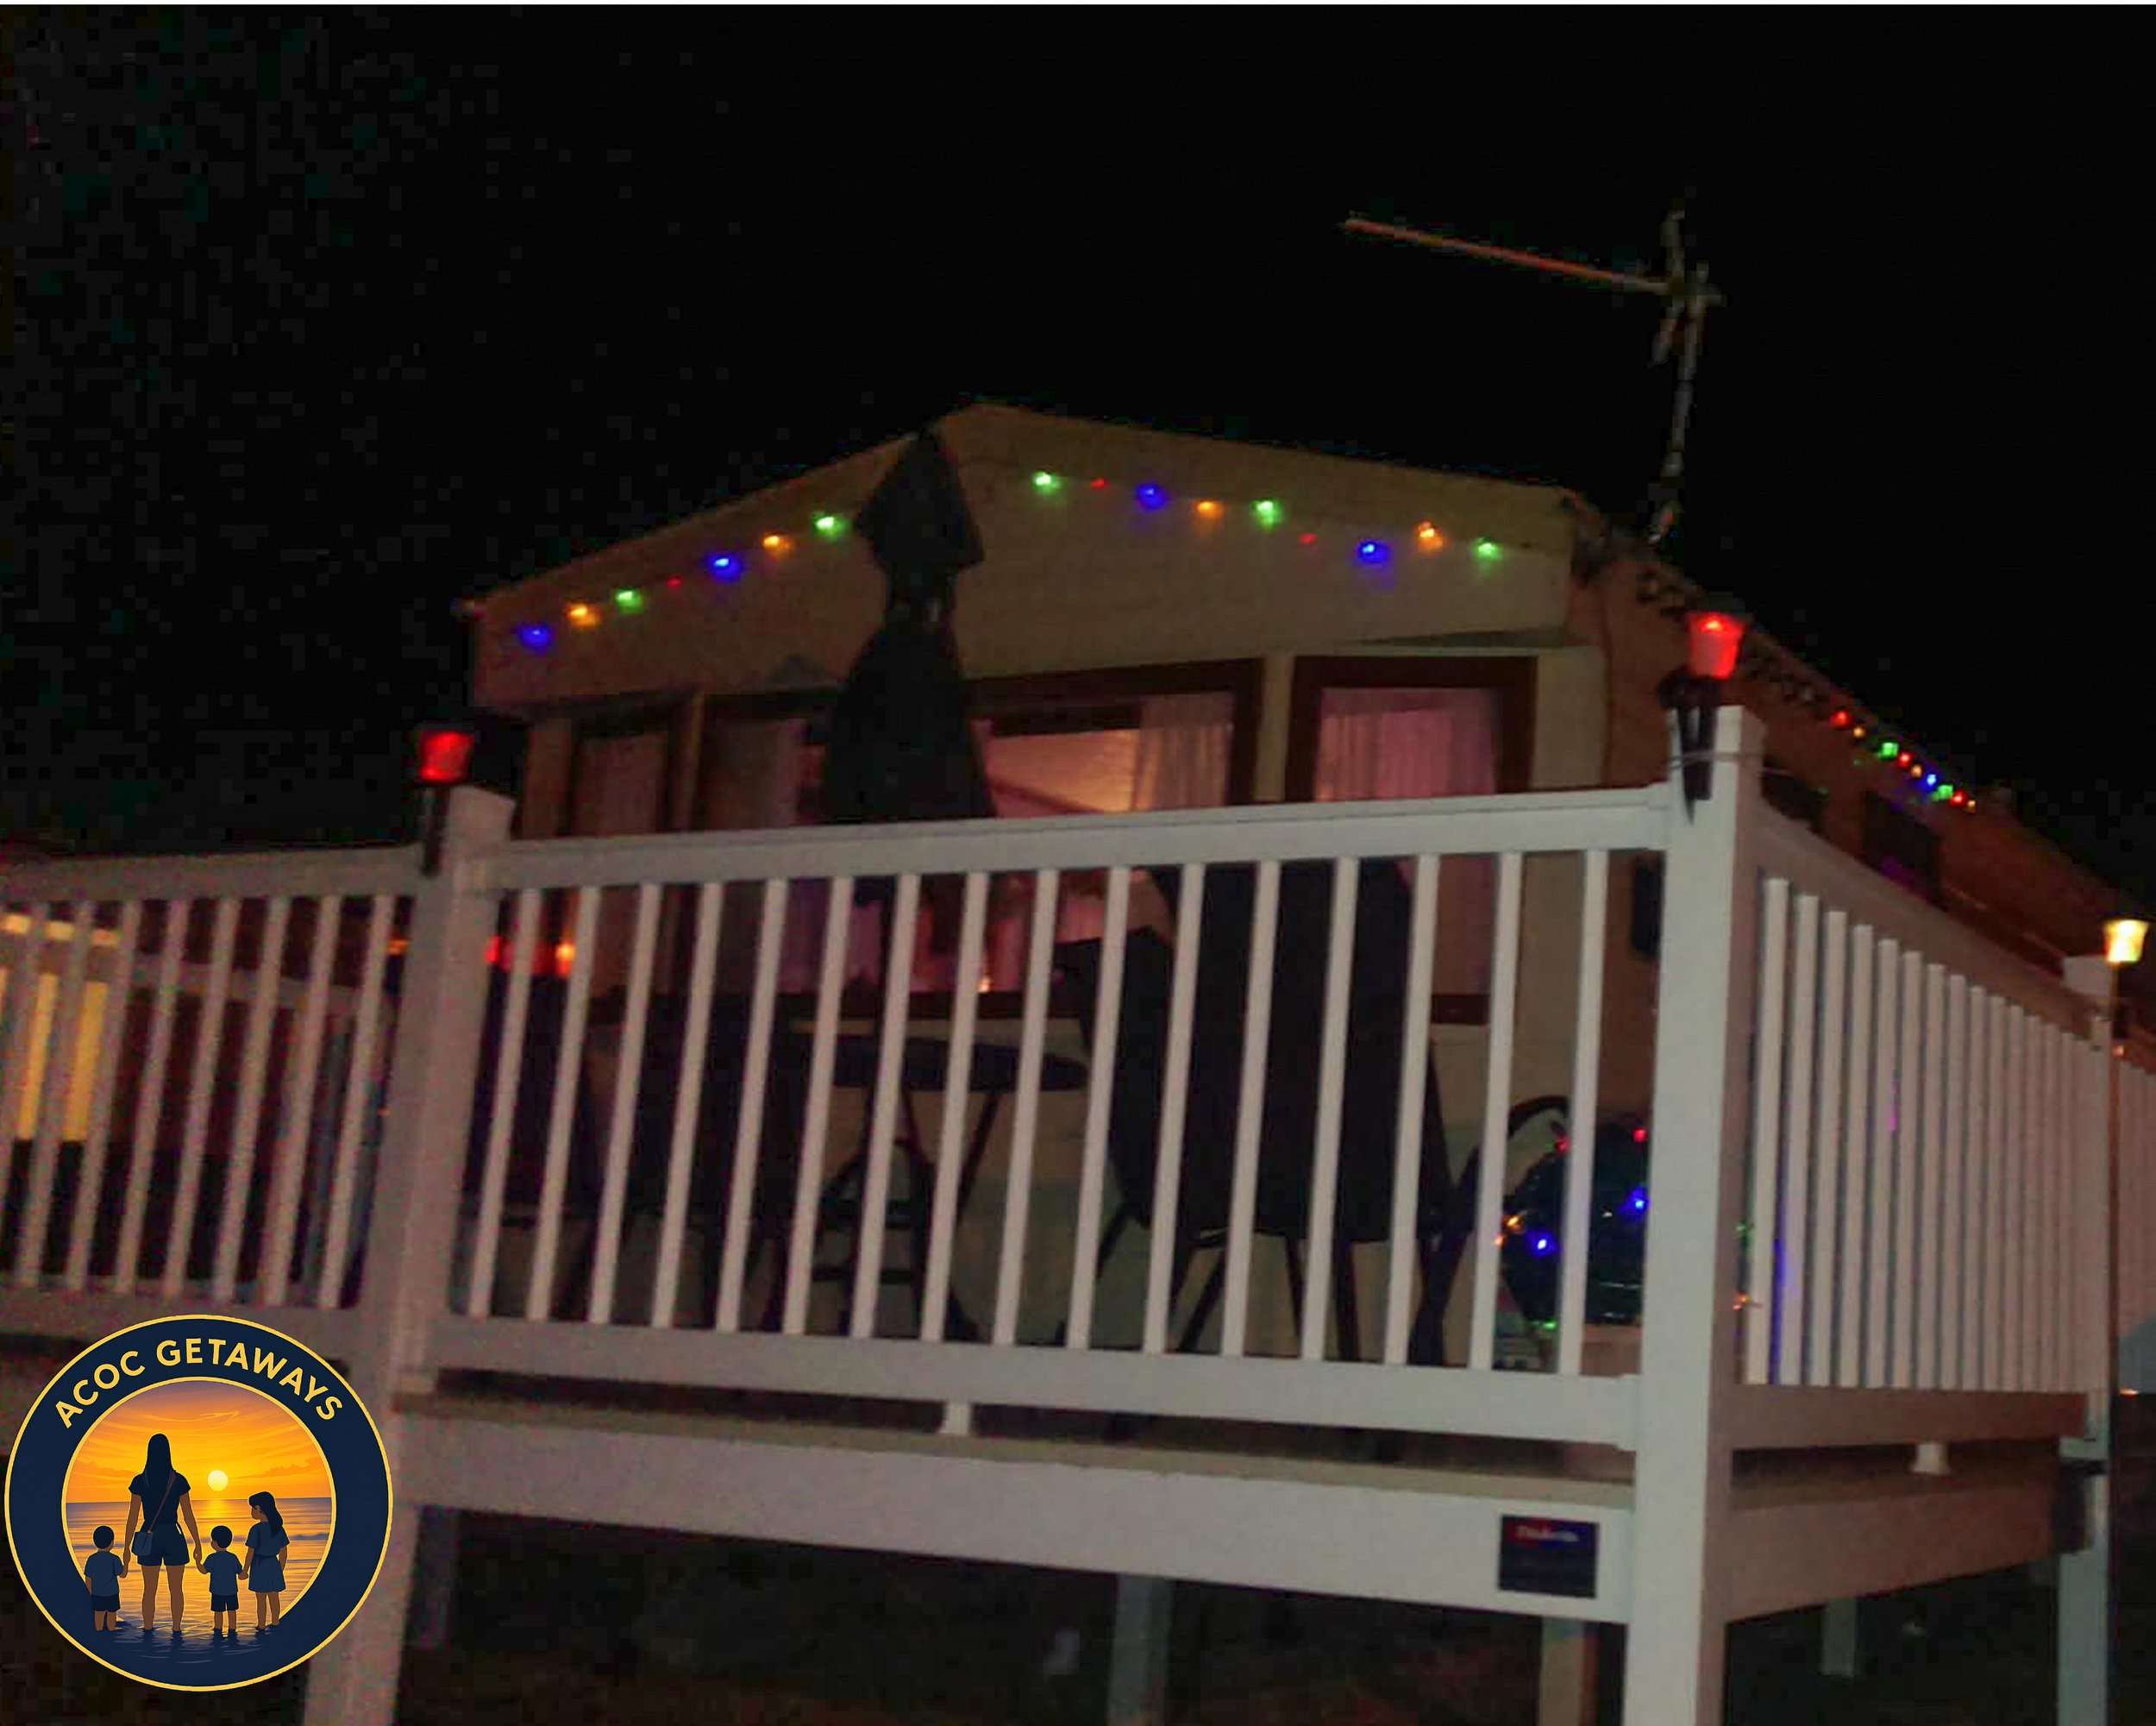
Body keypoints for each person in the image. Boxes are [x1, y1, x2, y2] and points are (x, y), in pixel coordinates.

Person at [120, 1434, 201, 1632]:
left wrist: (127, 1547)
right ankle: (176, 1629)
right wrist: (197, 1543)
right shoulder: (178, 1480)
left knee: (149, 1590)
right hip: (173, 1535)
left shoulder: (140, 1481)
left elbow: (133, 1517)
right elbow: (188, 1514)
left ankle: (148, 1629)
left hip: (149, 1536)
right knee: (176, 1589)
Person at [243, 1491, 288, 1628]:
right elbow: (284, 1551)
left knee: (261, 1599)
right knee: (274, 1598)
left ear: (259, 1508)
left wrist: (245, 1571)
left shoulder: (256, 1529)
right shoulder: (278, 1528)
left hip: (259, 1566)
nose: (252, 1511)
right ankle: (276, 1622)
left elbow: (250, 1553)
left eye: (252, 1508)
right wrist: (280, 1568)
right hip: (273, 1565)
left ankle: (261, 1625)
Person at [198, 1526, 243, 1635]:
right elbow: (240, 1571)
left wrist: (197, 1562)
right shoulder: (233, 1557)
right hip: (231, 1591)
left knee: (218, 1612)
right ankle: (232, 1629)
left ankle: (218, 1629)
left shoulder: (212, 1558)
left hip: (217, 1591)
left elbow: (204, 1571)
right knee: (232, 1611)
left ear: (215, 1542)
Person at [83, 1526, 124, 1631]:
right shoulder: (114, 1558)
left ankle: (98, 1628)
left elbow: (88, 1578)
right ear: (112, 1543)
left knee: (98, 1612)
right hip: (112, 1593)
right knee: (112, 1612)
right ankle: (111, 1627)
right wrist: (126, 1564)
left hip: (97, 1593)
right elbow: (122, 1574)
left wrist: (90, 1593)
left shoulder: (91, 1559)